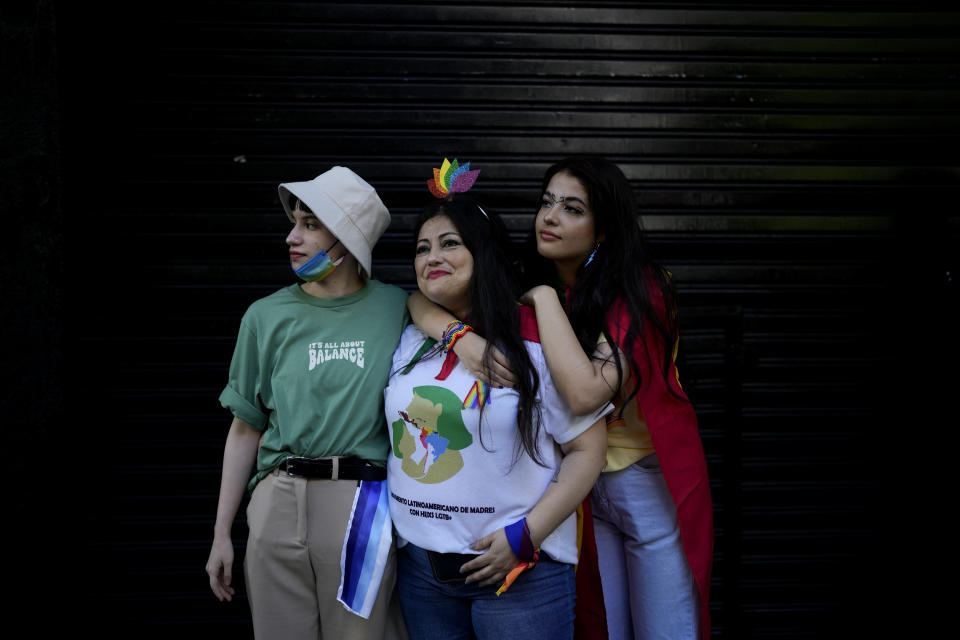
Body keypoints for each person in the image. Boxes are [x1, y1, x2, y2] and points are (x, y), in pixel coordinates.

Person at [410, 156, 713, 640]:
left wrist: (547, 300)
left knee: (665, 629)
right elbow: (421, 296)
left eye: (572, 209)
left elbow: (583, 395)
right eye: (547, 202)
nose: (549, 217)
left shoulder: (641, 287)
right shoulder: (533, 273)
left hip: (641, 481)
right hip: (577, 492)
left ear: (604, 229)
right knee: (602, 627)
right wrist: (458, 336)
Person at [385, 160, 609, 640]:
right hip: (423, 574)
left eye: (449, 244)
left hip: (519, 575)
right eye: (421, 249)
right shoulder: (407, 339)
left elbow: (588, 450)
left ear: (483, 253)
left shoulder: (536, 340)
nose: (431, 258)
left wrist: (525, 537)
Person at [204, 166, 410, 640]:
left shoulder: (399, 310)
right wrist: (221, 533)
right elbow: (244, 429)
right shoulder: (265, 316)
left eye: (311, 225)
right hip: (278, 498)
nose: (292, 237)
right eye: (295, 222)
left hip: (360, 504)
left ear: (349, 241)